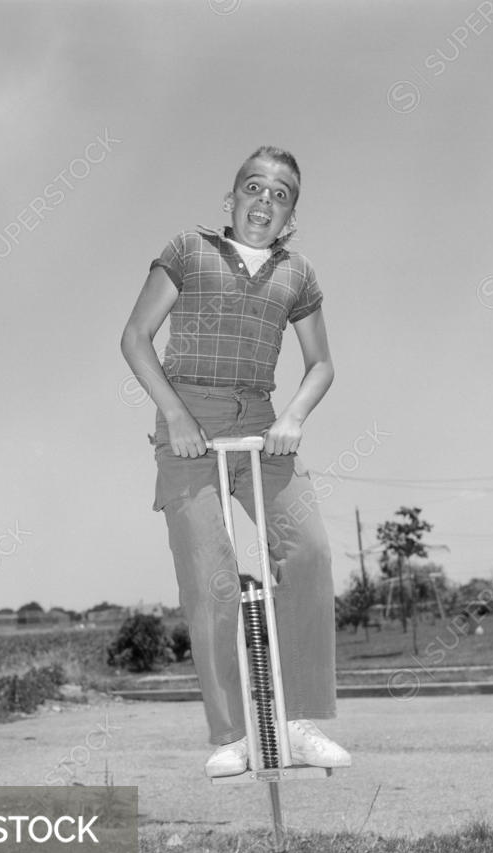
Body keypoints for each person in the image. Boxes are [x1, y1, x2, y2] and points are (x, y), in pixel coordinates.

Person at [120, 146, 351, 777]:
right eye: (255, 188)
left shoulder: (297, 274)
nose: (265, 202)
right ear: (232, 199)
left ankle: (296, 723)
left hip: (264, 423)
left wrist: (294, 416)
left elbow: (321, 363)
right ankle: (232, 735)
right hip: (187, 416)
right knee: (211, 572)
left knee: (308, 551)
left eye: (281, 196)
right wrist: (175, 416)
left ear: (291, 215)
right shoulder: (189, 251)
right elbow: (135, 337)